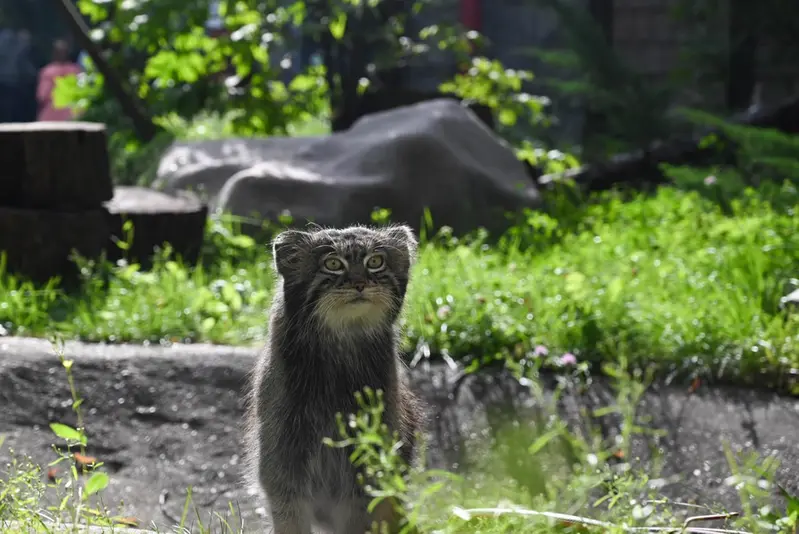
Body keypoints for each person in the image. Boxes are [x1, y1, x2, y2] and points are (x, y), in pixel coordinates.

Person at [36, 39, 82, 122]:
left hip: (51, 115)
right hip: (73, 114)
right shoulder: (75, 70)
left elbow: (42, 95)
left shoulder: (47, 71)